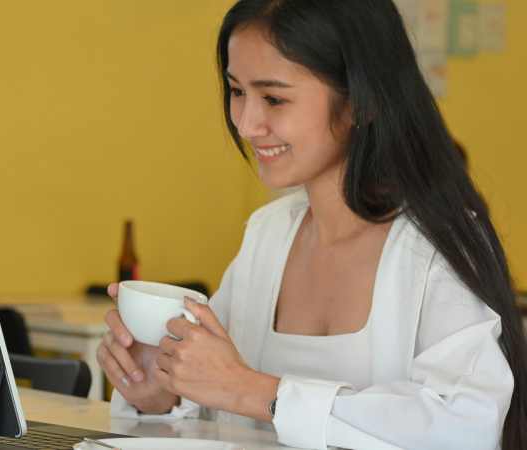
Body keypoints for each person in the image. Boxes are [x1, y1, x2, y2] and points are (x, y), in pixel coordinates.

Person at [95, 1, 527, 449]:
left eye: (274, 98)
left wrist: (254, 390)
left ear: (363, 101)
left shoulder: (438, 243)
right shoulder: (267, 234)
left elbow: (465, 427)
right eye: (236, 91)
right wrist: (159, 392)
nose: (245, 124)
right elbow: (214, 407)